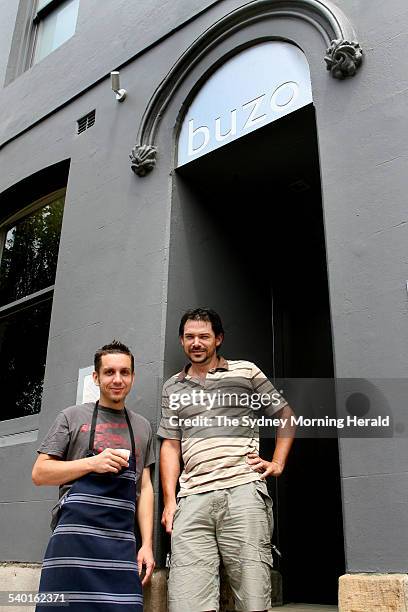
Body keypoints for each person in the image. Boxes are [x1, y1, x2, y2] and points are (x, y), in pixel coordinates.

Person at [158, 308, 296, 612]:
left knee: (253, 597)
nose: (196, 342)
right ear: (182, 341)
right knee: (186, 601)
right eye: (190, 337)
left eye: (204, 336)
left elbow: (285, 415)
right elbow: (170, 445)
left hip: (243, 491)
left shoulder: (246, 372)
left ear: (217, 339)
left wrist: (277, 463)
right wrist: (169, 502)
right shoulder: (172, 387)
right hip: (191, 498)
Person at [32, 340, 155, 611]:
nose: (117, 379)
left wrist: (147, 544)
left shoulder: (143, 427)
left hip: (121, 546)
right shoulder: (71, 417)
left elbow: (145, 488)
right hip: (72, 546)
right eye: (109, 372)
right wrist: (92, 464)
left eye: (125, 372)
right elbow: (40, 473)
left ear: (133, 376)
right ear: (96, 377)